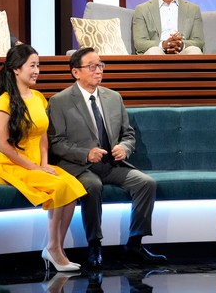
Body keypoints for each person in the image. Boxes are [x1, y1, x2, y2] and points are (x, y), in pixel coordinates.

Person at [47, 47, 166, 268]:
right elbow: (56, 143)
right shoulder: (59, 101)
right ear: (76, 72)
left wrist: (124, 147)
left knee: (146, 183)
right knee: (92, 187)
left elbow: (128, 134)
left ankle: (135, 243)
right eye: (92, 66)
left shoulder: (113, 97)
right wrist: (85, 153)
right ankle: (94, 244)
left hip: (111, 164)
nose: (98, 70)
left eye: (100, 65)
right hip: (80, 167)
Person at [0, 44, 87, 272]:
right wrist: (34, 168)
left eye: (38, 65)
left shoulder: (39, 97)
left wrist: (43, 164)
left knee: (74, 186)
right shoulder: (4, 102)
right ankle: (53, 248)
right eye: (32, 65)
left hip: (37, 163)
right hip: (12, 164)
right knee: (60, 186)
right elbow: (4, 146)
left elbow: (43, 137)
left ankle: (56, 247)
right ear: (16, 69)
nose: (37, 70)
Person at [132, 0, 204, 55]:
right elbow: (139, 43)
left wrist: (181, 44)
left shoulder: (193, 9)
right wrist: (163, 44)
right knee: (154, 52)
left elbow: (199, 41)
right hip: (158, 50)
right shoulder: (142, 9)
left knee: (194, 51)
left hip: (182, 51)